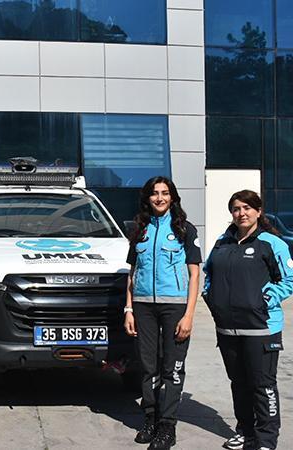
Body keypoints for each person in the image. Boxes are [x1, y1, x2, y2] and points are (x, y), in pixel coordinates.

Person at [203, 190, 293, 450]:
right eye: (236, 208)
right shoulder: (222, 242)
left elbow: (288, 279)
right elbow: (209, 274)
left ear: (258, 211)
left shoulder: (271, 243)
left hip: (261, 328)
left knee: (262, 386)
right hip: (228, 329)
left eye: (246, 208)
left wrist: (263, 299)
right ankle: (245, 431)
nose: (241, 213)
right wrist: (211, 297)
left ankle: (266, 439)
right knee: (239, 384)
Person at [124, 177, 202, 450]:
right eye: (155, 193)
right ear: (147, 198)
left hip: (175, 307)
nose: (159, 198)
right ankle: (150, 419)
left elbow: (194, 275)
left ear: (172, 197)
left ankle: (167, 426)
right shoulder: (139, 230)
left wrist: (189, 315)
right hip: (143, 306)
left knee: (172, 367)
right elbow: (132, 273)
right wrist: (129, 309)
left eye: (165, 193)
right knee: (148, 367)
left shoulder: (185, 229)